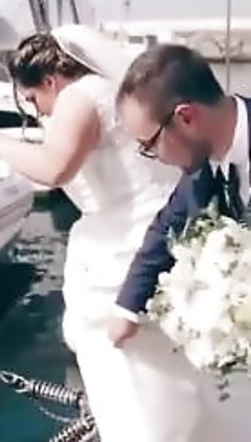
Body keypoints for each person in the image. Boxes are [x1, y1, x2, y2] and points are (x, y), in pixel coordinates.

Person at [0, 25, 222, 442]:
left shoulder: (78, 96)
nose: (36, 110)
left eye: (32, 98)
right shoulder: (106, 91)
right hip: (139, 230)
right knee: (159, 363)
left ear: (50, 80)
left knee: (128, 368)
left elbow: (55, 168)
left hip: (123, 241)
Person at [111, 43, 251, 440]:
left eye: (150, 144)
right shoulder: (204, 167)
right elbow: (167, 226)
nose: (153, 156)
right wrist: (126, 308)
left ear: (186, 116)